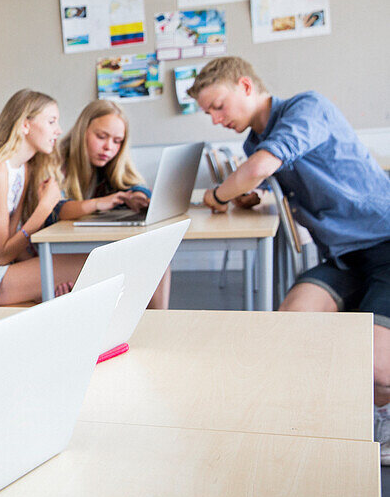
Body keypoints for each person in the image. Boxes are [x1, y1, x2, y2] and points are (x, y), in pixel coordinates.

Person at [188, 55, 390, 460]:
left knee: (378, 370)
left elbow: (262, 165)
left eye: (218, 106)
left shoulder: (306, 107)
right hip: (342, 257)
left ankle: (379, 410)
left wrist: (218, 195)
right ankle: (352, 407)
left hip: (383, 246)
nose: (213, 119)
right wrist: (251, 193)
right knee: (288, 333)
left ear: (246, 86)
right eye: (207, 112)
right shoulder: (253, 140)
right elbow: (270, 175)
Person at [0, 89, 84, 308]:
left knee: (77, 268)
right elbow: (2, 254)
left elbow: (11, 242)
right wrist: (44, 207)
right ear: (25, 125)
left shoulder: (22, 169)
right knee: (83, 263)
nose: (59, 130)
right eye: (51, 122)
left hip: (0, 265)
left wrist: (45, 281)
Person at [54, 99, 170, 308]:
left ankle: (157, 322)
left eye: (117, 141)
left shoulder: (107, 164)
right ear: (82, 130)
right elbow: (56, 211)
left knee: (158, 255)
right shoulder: (56, 163)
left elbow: (134, 182)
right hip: (55, 254)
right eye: (101, 137)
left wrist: (138, 196)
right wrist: (100, 202)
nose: (108, 147)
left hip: (86, 249)